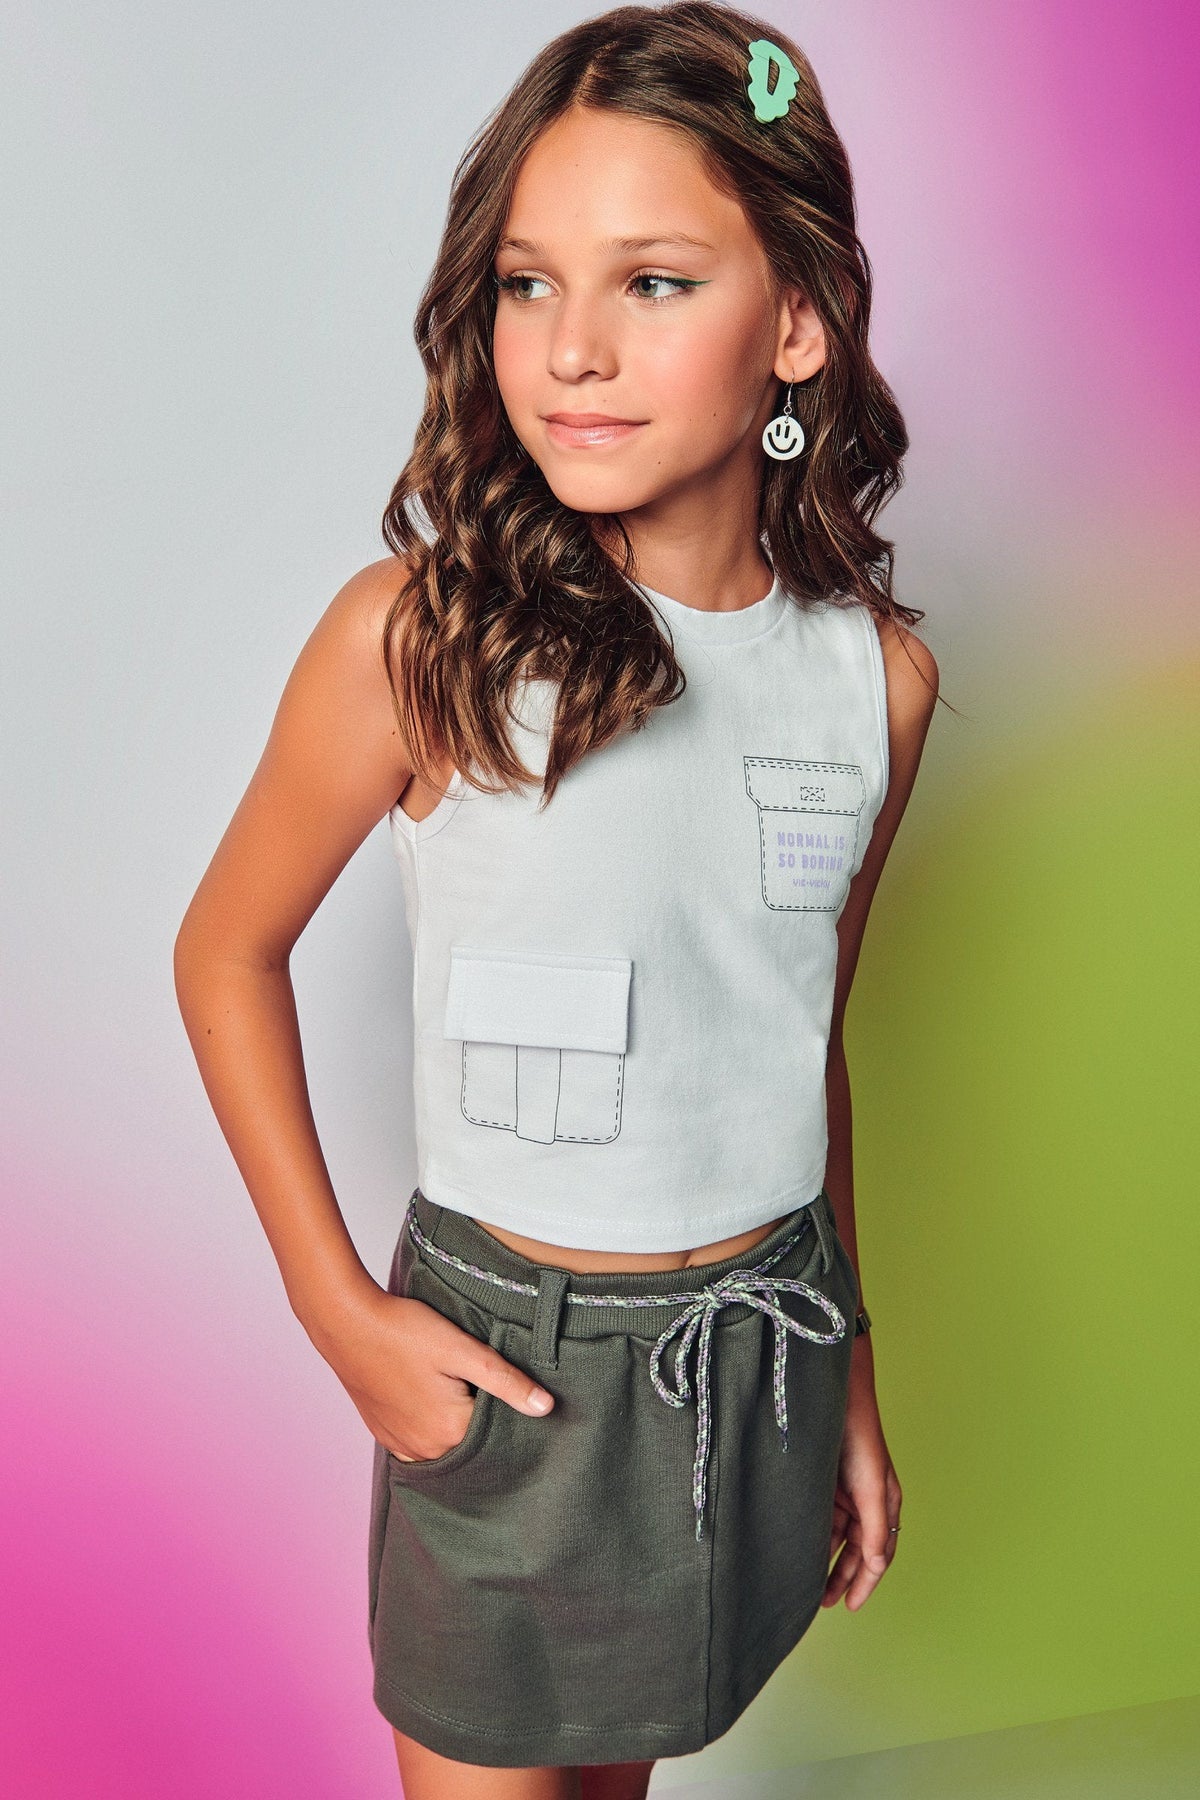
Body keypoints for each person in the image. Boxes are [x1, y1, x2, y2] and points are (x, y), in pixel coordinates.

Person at [174, 5, 942, 1796]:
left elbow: (805, 1038)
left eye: (653, 283)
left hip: (753, 1352)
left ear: (800, 322)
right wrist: (336, 1311)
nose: (573, 349)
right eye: (529, 283)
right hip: (506, 1377)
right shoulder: (421, 640)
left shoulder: (875, 684)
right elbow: (226, 950)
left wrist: (844, 1368)